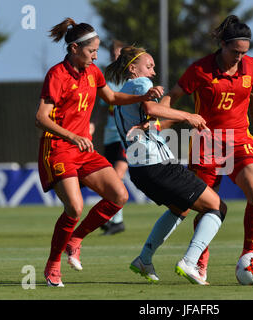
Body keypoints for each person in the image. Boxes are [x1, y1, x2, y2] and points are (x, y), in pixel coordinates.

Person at [35, 18, 163, 287]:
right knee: (75, 206)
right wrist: (72, 136)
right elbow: (41, 118)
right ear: (73, 49)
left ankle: (76, 239)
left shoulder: (93, 73)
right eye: (91, 50)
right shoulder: (56, 75)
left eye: (96, 50)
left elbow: (113, 98)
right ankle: (53, 264)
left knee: (119, 196)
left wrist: (143, 97)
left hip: (83, 149)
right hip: (58, 148)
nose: (96, 55)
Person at [105, 45, 227, 285]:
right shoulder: (140, 85)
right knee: (217, 207)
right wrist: (188, 116)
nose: (152, 72)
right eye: (148, 66)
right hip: (157, 165)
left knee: (180, 209)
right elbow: (151, 108)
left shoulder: (122, 96)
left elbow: (150, 119)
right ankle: (190, 262)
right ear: (133, 69)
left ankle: (144, 259)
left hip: (140, 170)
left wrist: (156, 122)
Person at [160, 15, 253, 281]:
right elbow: (172, 97)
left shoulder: (252, 66)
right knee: (207, 206)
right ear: (222, 44)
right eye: (234, 52)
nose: (239, 58)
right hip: (206, 143)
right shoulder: (200, 70)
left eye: (244, 52)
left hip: (239, 140)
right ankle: (199, 262)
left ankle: (248, 257)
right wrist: (157, 122)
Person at [100, 40, 127, 235]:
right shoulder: (107, 79)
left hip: (125, 136)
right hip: (109, 136)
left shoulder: (131, 79)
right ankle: (114, 220)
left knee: (117, 177)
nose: (114, 57)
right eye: (112, 53)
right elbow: (100, 107)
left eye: (118, 54)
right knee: (110, 179)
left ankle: (114, 219)